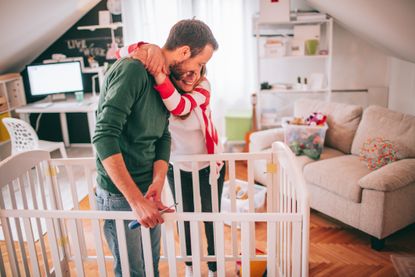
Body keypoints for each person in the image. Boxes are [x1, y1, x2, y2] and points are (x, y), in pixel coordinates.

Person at [93, 19, 218, 277]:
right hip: (121, 195)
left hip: (147, 191)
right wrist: (136, 201)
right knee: (133, 271)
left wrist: (157, 181)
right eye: (199, 62)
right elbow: (104, 136)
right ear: (184, 52)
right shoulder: (133, 71)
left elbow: (163, 136)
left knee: (151, 265)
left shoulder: (164, 81)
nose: (199, 70)